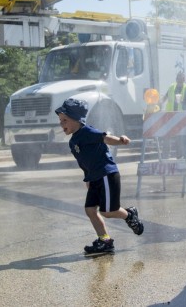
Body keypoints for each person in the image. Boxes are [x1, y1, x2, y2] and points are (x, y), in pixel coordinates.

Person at [55, 98, 144, 255]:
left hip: (106, 174)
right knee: (90, 210)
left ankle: (129, 214)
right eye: (60, 121)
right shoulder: (73, 140)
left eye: (65, 120)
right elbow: (84, 162)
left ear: (76, 119)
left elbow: (105, 138)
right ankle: (105, 240)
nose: (61, 124)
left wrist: (120, 141)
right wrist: (88, 178)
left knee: (107, 212)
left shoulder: (87, 131)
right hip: (94, 178)